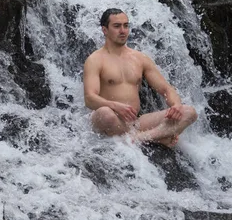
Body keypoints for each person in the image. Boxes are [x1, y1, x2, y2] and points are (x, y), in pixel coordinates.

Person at [83, 8, 198, 146]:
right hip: (111, 119)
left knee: (188, 112)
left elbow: (166, 89)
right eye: (117, 26)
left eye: (126, 26)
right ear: (105, 30)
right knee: (105, 113)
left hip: (136, 123)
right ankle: (161, 135)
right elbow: (90, 99)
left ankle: (141, 137)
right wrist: (115, 106)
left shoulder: (140, 58)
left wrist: (176, 105)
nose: (123, 31)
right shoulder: (95, 60)